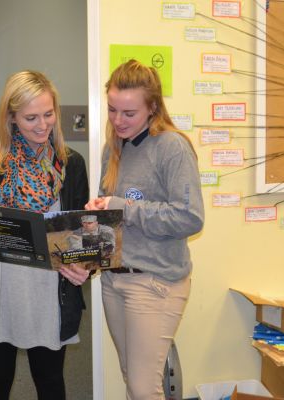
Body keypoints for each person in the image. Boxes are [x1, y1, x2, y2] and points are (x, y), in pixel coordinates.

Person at [0, 70, 89, 400]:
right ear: (11, 118)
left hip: (50, 294)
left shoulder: (71, 165)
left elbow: (81, 230)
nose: (42, 126)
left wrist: (85, 264)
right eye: (30, 118)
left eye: (49, 114)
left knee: (51, 384)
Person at [85, 59, 204, 399]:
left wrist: (122, 207)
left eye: (129, 113)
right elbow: (109, 216)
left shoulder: (172, 147)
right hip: (114, 279)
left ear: (152, 107)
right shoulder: (114, 148)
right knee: (132, 378)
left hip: (155, 282)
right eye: (112, 110)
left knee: (142, 387)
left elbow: (190, 217)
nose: (118, 121)